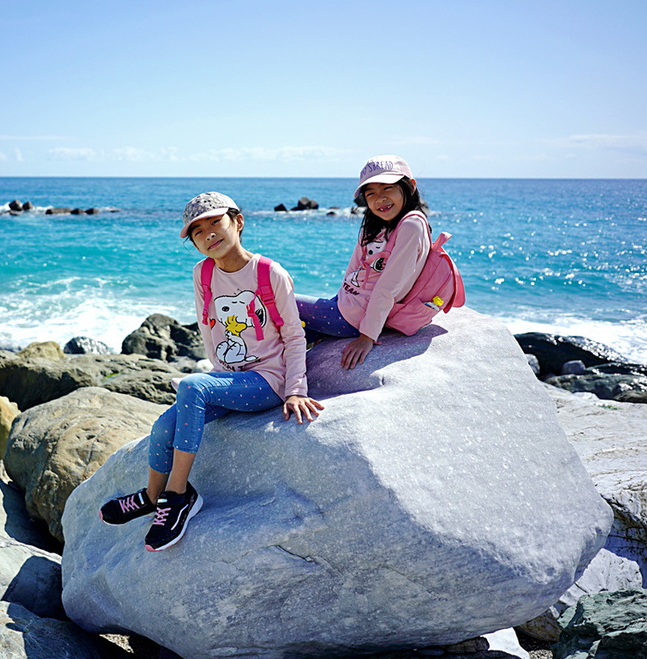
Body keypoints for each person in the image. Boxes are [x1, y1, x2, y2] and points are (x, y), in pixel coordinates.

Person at [100, 192, 324, 552]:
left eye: (215, 223)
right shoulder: (202, 273)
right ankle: (152, 496)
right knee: (162, 428)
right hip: (226, 381)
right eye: (197, 231)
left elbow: (294, 336)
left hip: (267, 381)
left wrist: (296, 388)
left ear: (237, 221)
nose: (208, 235)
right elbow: (210, 330)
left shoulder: (269, 273)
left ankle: (178, 497)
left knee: (192, 385)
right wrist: (214, 381)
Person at [296, 155, 431, 369]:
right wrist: (337, 301)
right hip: (342, 305)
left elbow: (389, 287)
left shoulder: (411, 225)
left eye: (387, 188)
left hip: (353, 318)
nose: (380, 199)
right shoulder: (375, 225)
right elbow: (353, 270)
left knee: (279, 298)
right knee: (283, 333)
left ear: (410, 187)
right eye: (371, 193)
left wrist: (367, 336)